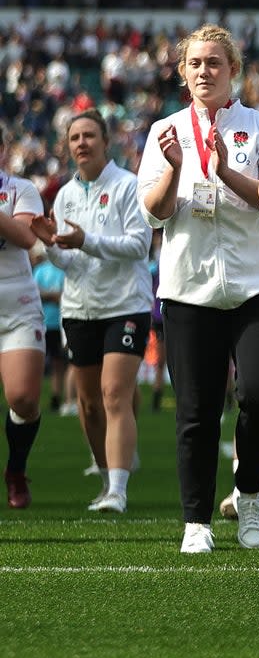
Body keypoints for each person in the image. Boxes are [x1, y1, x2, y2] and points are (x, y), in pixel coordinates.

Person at [137, 23, 259, 554]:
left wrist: (223, 171)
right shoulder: (165, 131)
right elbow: (153, 214)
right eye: (195, 63)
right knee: (197, 412)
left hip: (258, 285)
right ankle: (196, 520)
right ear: (183, 71)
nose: (205, 71)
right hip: (187, 288)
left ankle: (248, 495)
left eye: (215, 63)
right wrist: (176, 171)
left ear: (234, 71)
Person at [32, 109, 153, 514]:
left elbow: (139, 245)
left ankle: (119, 489)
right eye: (74, 138)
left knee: (114, 393)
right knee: (87, 404)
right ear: (67, 147)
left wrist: (86, 241)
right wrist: (49, 244)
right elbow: (67, 262)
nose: (81, 143)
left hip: (125, 305)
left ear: (105, 141)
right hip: (80, 307)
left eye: (88, 135)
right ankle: (105, 479)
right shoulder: (65, 193)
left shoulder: (127, 186)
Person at [0, 125, 45, 509]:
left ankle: (16, 468)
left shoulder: (21, 189)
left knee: (23, 399)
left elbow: (27, 237)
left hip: (17, 306)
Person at [32, 244, 71, 415]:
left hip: (56, 323)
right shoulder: (42, 270)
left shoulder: (61, 270)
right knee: (45, 364)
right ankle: (35, 398)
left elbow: (63, 295)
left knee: (57, 364)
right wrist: (52, 296)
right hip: (43, 321)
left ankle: (55, 398)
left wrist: (46, 295)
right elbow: (35, 294)